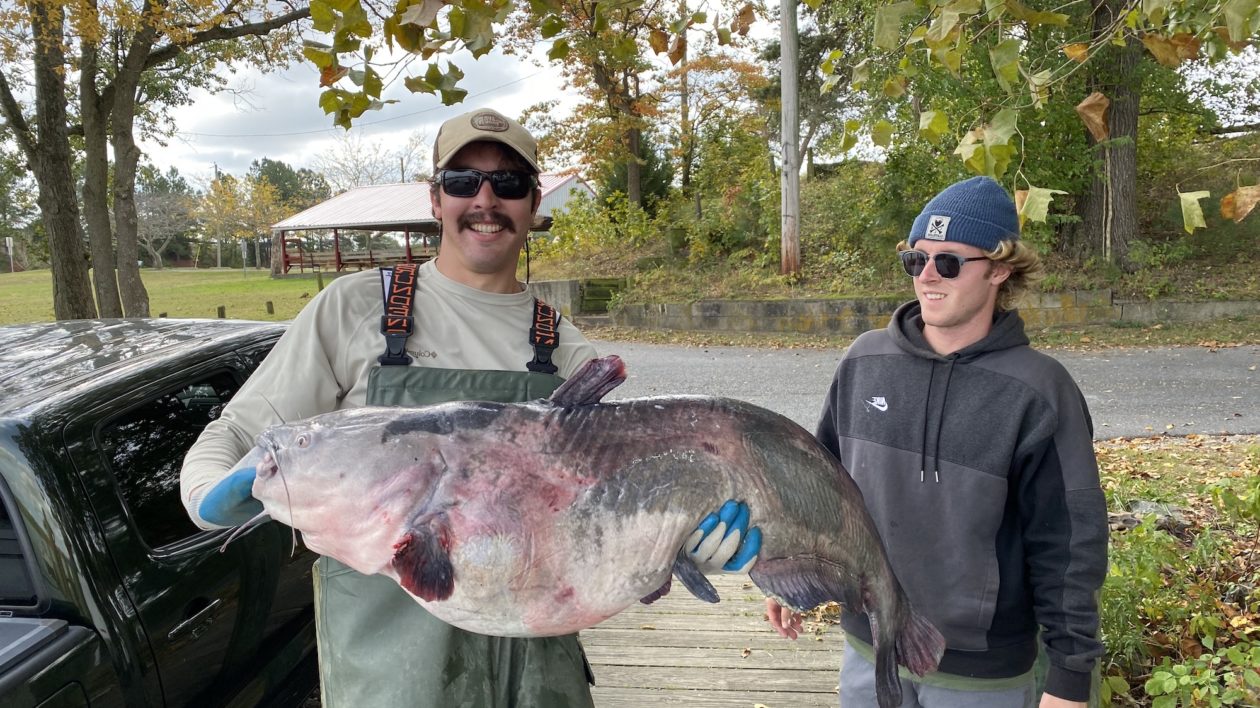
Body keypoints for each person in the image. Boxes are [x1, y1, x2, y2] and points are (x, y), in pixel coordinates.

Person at [180, 107, 759, 708]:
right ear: (436, 200)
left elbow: (613, 506)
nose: (485, 200)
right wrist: (206, 497)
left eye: (508, 184)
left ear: (534, 206)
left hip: (538, 679)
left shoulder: (564, 349)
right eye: (463, 181)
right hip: (387, 683)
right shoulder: (352, 310)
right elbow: (234, 433)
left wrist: (677, 543)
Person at [767, 176, 1107, 708]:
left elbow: (1067, 545)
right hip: (870, 648)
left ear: (1000, 269)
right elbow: (822, 488)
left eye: (948, 262)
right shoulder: (864, 360)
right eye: (915, 259)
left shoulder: (1040, 392)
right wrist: (793, 571)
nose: (926, 276)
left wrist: (1070, 676)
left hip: (980, 673)